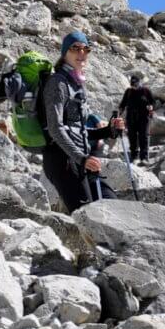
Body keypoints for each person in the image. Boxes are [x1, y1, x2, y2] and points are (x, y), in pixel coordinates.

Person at [42, 31, 125, 213]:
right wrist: (82, 158)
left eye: (86, 49)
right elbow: (56, 129)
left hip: (82, 160)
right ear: (65, 53)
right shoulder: (58, 83)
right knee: (88, 217)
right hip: (62, 162)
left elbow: (79, 130)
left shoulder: (76, 84)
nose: (82, 53)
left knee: (113, 206)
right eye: (75, 48)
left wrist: (109, 131)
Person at [118, 75, 155, 162]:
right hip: (131, 118)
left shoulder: (146, 91)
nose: (134, 87)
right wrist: (119, 113)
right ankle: (133, 156)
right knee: (132, 137)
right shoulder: (128, 91)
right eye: (132, 85)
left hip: (143, 118)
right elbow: (123, 104)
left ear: (139, 83)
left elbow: (153, 101)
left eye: (135, 84)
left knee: (143, 136)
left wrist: (151, 107)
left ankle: (144, 158)